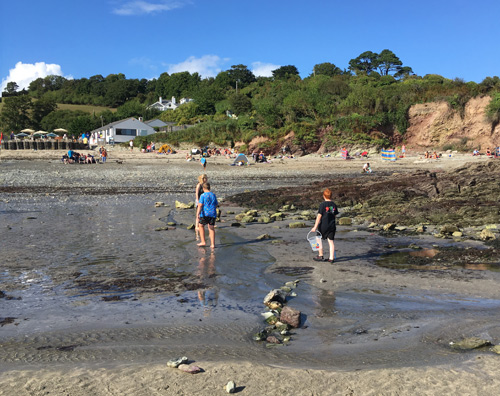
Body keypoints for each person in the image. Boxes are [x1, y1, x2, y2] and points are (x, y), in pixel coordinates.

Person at [310, 188, 339, 263]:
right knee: (331, 242)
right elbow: (335, 215)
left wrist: (315, 227)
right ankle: (331, 258)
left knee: (318, 239)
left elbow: (319, 216)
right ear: (331, 196)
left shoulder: (322, 205)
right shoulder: (334, 205)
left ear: (324, 196)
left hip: (323, 225)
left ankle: (320, 255)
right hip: (332, 225)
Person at [196, 182, 218, 248]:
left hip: (205, 213)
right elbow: (216, 204)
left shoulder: (203, 195)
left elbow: (200, 205)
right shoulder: (213, 195)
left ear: (203, 188)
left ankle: (203, 241)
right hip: (213, 213)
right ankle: (212, 244)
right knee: (211, 228)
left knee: (201, 226)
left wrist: (198, 214)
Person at [195, 174, 208, 240]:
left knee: (204, 213)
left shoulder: (205, 185)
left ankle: (204, 224)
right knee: (198, 213)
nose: (206, 179)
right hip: (199, 200)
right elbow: (196, 193)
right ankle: (196, 226)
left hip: (204, 200)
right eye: (205, 178)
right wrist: (198, 201)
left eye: (206, 178)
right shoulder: (199, 185)